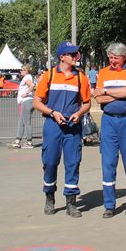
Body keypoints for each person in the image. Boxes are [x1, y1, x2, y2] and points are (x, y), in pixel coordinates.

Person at [32, 42, 91, 218]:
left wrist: (79, 113)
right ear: (62, 57)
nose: (75, 56)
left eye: (76, 54)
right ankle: (49, 197)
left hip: (73, 127)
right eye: (72, 54)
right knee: (50, 162)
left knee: (73, 163)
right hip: (52, 125)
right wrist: (52, 113)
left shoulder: (81, 78)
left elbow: (87, 103)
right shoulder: (48, 76)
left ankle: (71, 203)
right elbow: (37, 102)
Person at [92, 43, 126, 218]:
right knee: (108, 162)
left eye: (116, 58)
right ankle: (109, 205)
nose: (112, 61)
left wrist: (107, 91)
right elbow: (98, 98)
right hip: (109, 122)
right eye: (110, 58)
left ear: (124, 57)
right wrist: (121, 93)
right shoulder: (103, 73)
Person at [11, 65, 35, 149]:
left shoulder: (27, 77)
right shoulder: (27, 77)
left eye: (22, 70)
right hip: (26, 101)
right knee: (21, 122)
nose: (20, 71)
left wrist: (26, 93)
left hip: (26, 102)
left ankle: (29, 142)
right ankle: (17, 141)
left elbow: (32, 85)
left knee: (26, 123)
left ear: (26, 71)